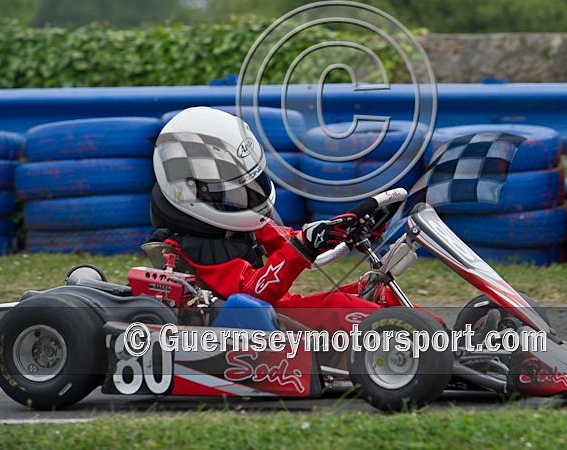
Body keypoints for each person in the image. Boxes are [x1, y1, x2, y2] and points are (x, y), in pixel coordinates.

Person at [150, 107, 401, 333]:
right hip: (246, 327)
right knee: (346, 310)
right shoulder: (193, 246)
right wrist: (303, 246)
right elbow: (251, 292)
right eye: (234, 192)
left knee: (380, 295)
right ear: (191, 190)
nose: (247, 198)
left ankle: (434, 349)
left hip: (275, 312)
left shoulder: (232, 222)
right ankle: (416, 362)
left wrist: (342, 234)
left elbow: (287, 241)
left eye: (251, 186)